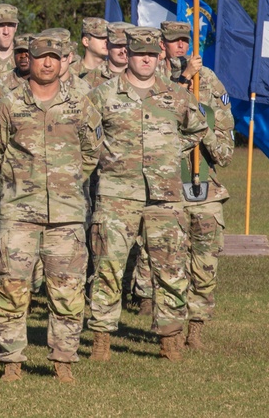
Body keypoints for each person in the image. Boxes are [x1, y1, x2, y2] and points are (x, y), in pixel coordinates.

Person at [0, 35, 103, 383]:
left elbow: (91, 153)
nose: (47, 63)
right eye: (40, 57)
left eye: (54, 57)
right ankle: (11, 361)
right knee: (11, 288)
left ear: (63, 61)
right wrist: (14, 182)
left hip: (66, 215)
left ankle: (63, 361)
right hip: (18, 214)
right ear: (28, 60)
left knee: (68, 290)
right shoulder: (7, 105)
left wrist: (66, 181)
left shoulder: (80, 106)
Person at [86, 27, 207, 362]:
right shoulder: (102, 95)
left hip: (164, 196)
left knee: (170, 269)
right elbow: (85, 134)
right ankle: (101, 340)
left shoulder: (176, 94)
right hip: (116, 194)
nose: (145, 60)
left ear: (159, 56)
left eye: (151, 55)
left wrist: (170, 152)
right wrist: (106, 157)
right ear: (128, 54)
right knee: (108, 267)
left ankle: (169, 340)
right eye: (139, 54)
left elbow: (197, 128)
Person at [131, 21, 234, 349]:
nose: (179, 46)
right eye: (172, 40)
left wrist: (201, 127)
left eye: (184, 41)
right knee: (167, 262)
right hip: (166, 187)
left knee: (205, 262)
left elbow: (225, 152)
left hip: (205, 190)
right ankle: (167, 327)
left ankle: (197, 327)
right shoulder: (152, 80)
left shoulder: (210, 81)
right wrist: (181, 84)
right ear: (161, 43)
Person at [83, 21, 133, 89]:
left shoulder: (143, 77)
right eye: (118, 45)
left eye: (127, 46)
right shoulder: (90, 80)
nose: (123, 50)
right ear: (107, 45)